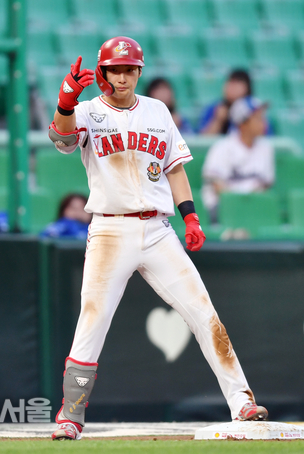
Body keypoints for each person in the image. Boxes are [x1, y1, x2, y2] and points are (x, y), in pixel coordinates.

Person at [46, 36, 268, 441]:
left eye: (130, 69)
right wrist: (65, 102)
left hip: (157, 229)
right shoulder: (89, 110)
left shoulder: (156, 110)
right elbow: (62, 140)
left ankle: (242, 402)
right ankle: (71, 414)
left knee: (204, 313)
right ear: (103, 72)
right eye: (115, 69)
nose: (123, 77)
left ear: (138, 72)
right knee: (93, 320)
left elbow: (175, 169)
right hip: (110, 228)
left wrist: (191, 217)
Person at [201, 96, 274, 223]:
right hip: (223, 208)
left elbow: (265, 186)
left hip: (253, 208)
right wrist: (241, 204)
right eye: (257, 118)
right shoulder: (222, 147)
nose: (263, 123)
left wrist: (247, 204)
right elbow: (217, 187)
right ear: (242, 123)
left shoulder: (266, 148)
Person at [199, 69, 251, 135]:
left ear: (247, 88)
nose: (232, 87)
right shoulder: (214, 108)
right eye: (230, 82)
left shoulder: (253, 109)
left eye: (237, 83)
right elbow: (202, 139)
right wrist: (218, 120)